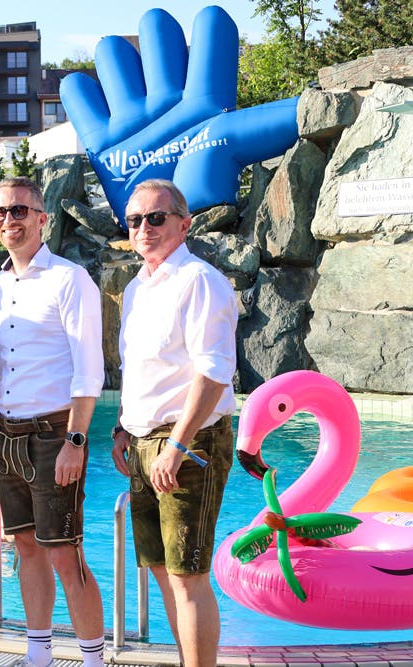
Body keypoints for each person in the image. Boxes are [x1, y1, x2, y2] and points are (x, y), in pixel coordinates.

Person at [110, 179, 237, 667]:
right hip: (144, 443)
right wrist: (122, 428)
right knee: (163, 571)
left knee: (188, 576)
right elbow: (141, 370)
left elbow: (214, 372)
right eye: (135, 219)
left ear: (184, 225)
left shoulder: (199, 280)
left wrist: (177, 446)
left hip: (188, 443)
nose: (144, 227)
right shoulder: (136, 288)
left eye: (156, 217)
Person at [0, 177, 106, 667]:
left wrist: (76, 439)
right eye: (0, 212)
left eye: (19, 210)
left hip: (55, 434)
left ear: (42, 218)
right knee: (25, 547)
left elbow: (89, 367)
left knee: (65, 554)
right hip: (6, 432)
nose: (8, 220)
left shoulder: (70, 279)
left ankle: (93, 661)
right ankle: (39, 655)